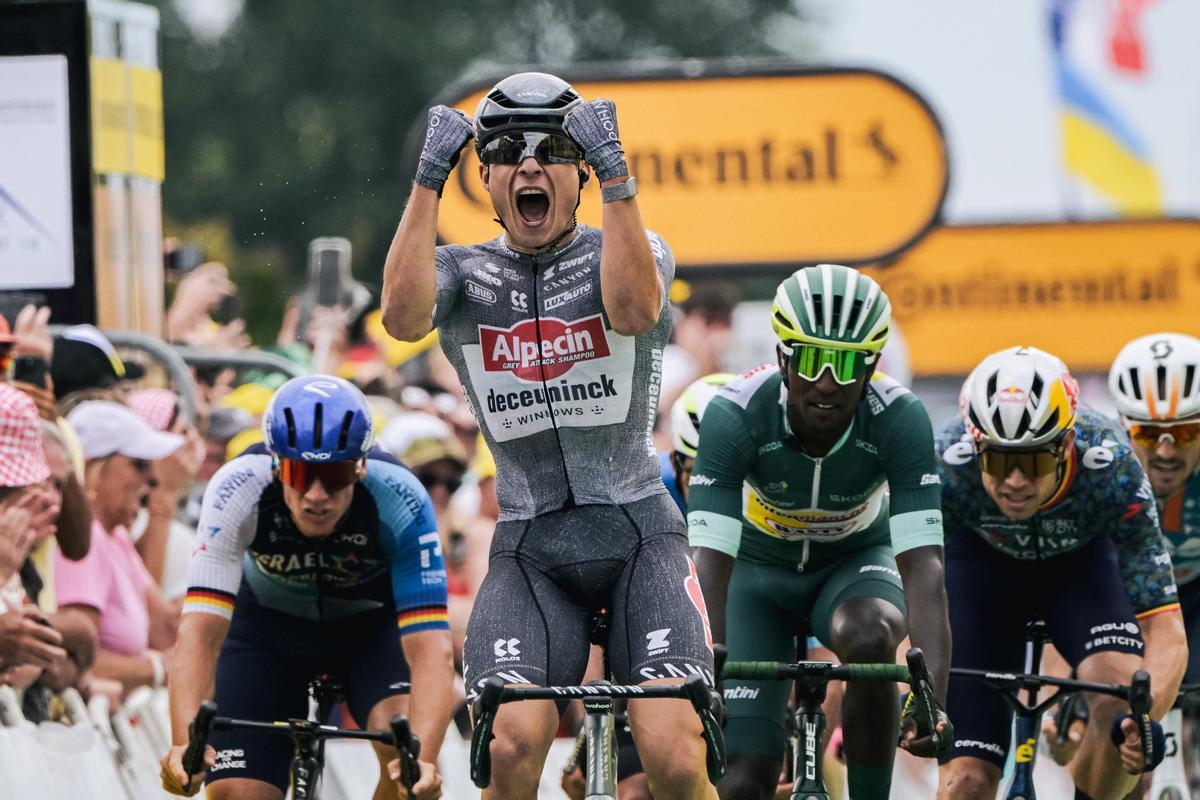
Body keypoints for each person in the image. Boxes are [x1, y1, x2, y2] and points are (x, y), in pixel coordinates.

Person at [381, 72, 716, 798]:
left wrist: (618, 177)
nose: (529, 164)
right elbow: (403, 320)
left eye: (554, 150)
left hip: (638, 534)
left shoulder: (634, 247)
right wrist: (426, 182)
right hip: (531, 543)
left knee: (676, 758)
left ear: (580, 173)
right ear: (488, 177)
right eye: (506, 151)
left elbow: (630, 311)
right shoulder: (462, 273)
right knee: (510, 745)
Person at [689, 264, 951, 800]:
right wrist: (706, 665)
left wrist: (931, 700)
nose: (828, 382)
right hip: (756, 579)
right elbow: (709, 561)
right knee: (741, 783)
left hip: (853, 569)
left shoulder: (900, 418)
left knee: (872, 636)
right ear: (783, 356)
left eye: (848, 363)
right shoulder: (735, 413)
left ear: (873, 364)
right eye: (811, 360)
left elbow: (923, 565)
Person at [160, 375, 452, 800]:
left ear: (360, 467)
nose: (316, 495)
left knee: (405, 758)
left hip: (369, 633)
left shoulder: (400, 496)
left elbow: (431, 649)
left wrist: (423, 763)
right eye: (300, 473)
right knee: (238, 793)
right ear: (277, 465)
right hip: (264, 633)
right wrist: (185, 746)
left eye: (334, 475)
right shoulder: (237, 488)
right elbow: (199, 633)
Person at [936, 345, 1186, 800]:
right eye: (997, 460)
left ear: (1065, 446)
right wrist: (912, 696)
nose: (1014, 480)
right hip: (980, 568)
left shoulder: (1111, 465)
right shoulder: (947, 464)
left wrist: (1144, 721)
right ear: (975, 445)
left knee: (1120, 706)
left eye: (1032, 461)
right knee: (964, 784)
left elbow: (1166, 627)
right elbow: (912, 597)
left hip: (1081, 566)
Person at [54, 400, 186, 697]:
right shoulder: (82, 539)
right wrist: (158, 670)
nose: (152, 478)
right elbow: (76, 660)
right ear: (92, 466)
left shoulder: (115, 537)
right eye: (139, 463)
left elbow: (164, 631)